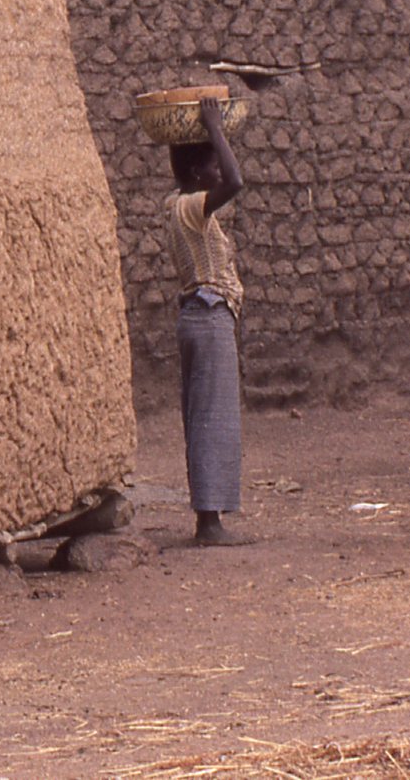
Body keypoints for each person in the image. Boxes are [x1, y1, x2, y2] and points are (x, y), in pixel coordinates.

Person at [165, 96, 252, 546]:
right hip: (207, 315)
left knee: (206, 417)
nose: (220, 170)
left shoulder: (178, 205)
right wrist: (215, 127)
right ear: (198, 173)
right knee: (213, 419)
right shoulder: (188, 207)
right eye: (212, 164)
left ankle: (210, 518)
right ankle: (210, 525)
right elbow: (236, 181)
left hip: (202, 316)